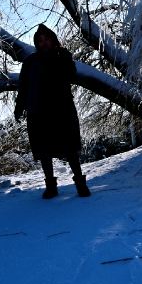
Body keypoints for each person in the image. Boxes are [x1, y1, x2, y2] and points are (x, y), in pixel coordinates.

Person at [14, 24, 90, 198]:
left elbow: (70, 74)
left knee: (69, 148)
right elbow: (23, 86)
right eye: (40, 40)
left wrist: (59, 57)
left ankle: (80, 184)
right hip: (37, 112)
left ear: (53, 40)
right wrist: (19, 107)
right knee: (44, 151)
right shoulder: (30, 61)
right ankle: (51, 187)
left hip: (61, 110)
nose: (44, 43)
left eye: (47, 39)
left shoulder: (62, 56)